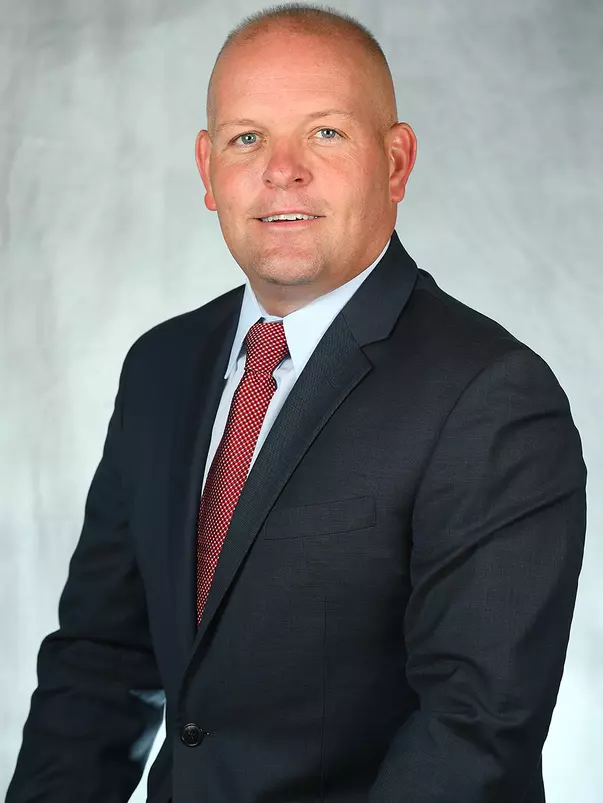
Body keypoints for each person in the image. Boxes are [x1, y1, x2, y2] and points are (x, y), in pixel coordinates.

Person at [6, 5, 587, 803]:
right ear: (208, 170)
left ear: (395, 162)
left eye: (324, 133)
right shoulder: (161, 366)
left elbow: (474, 730)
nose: (282, 170)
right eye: (247, 138)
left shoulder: (491, 395)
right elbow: (99, 660)